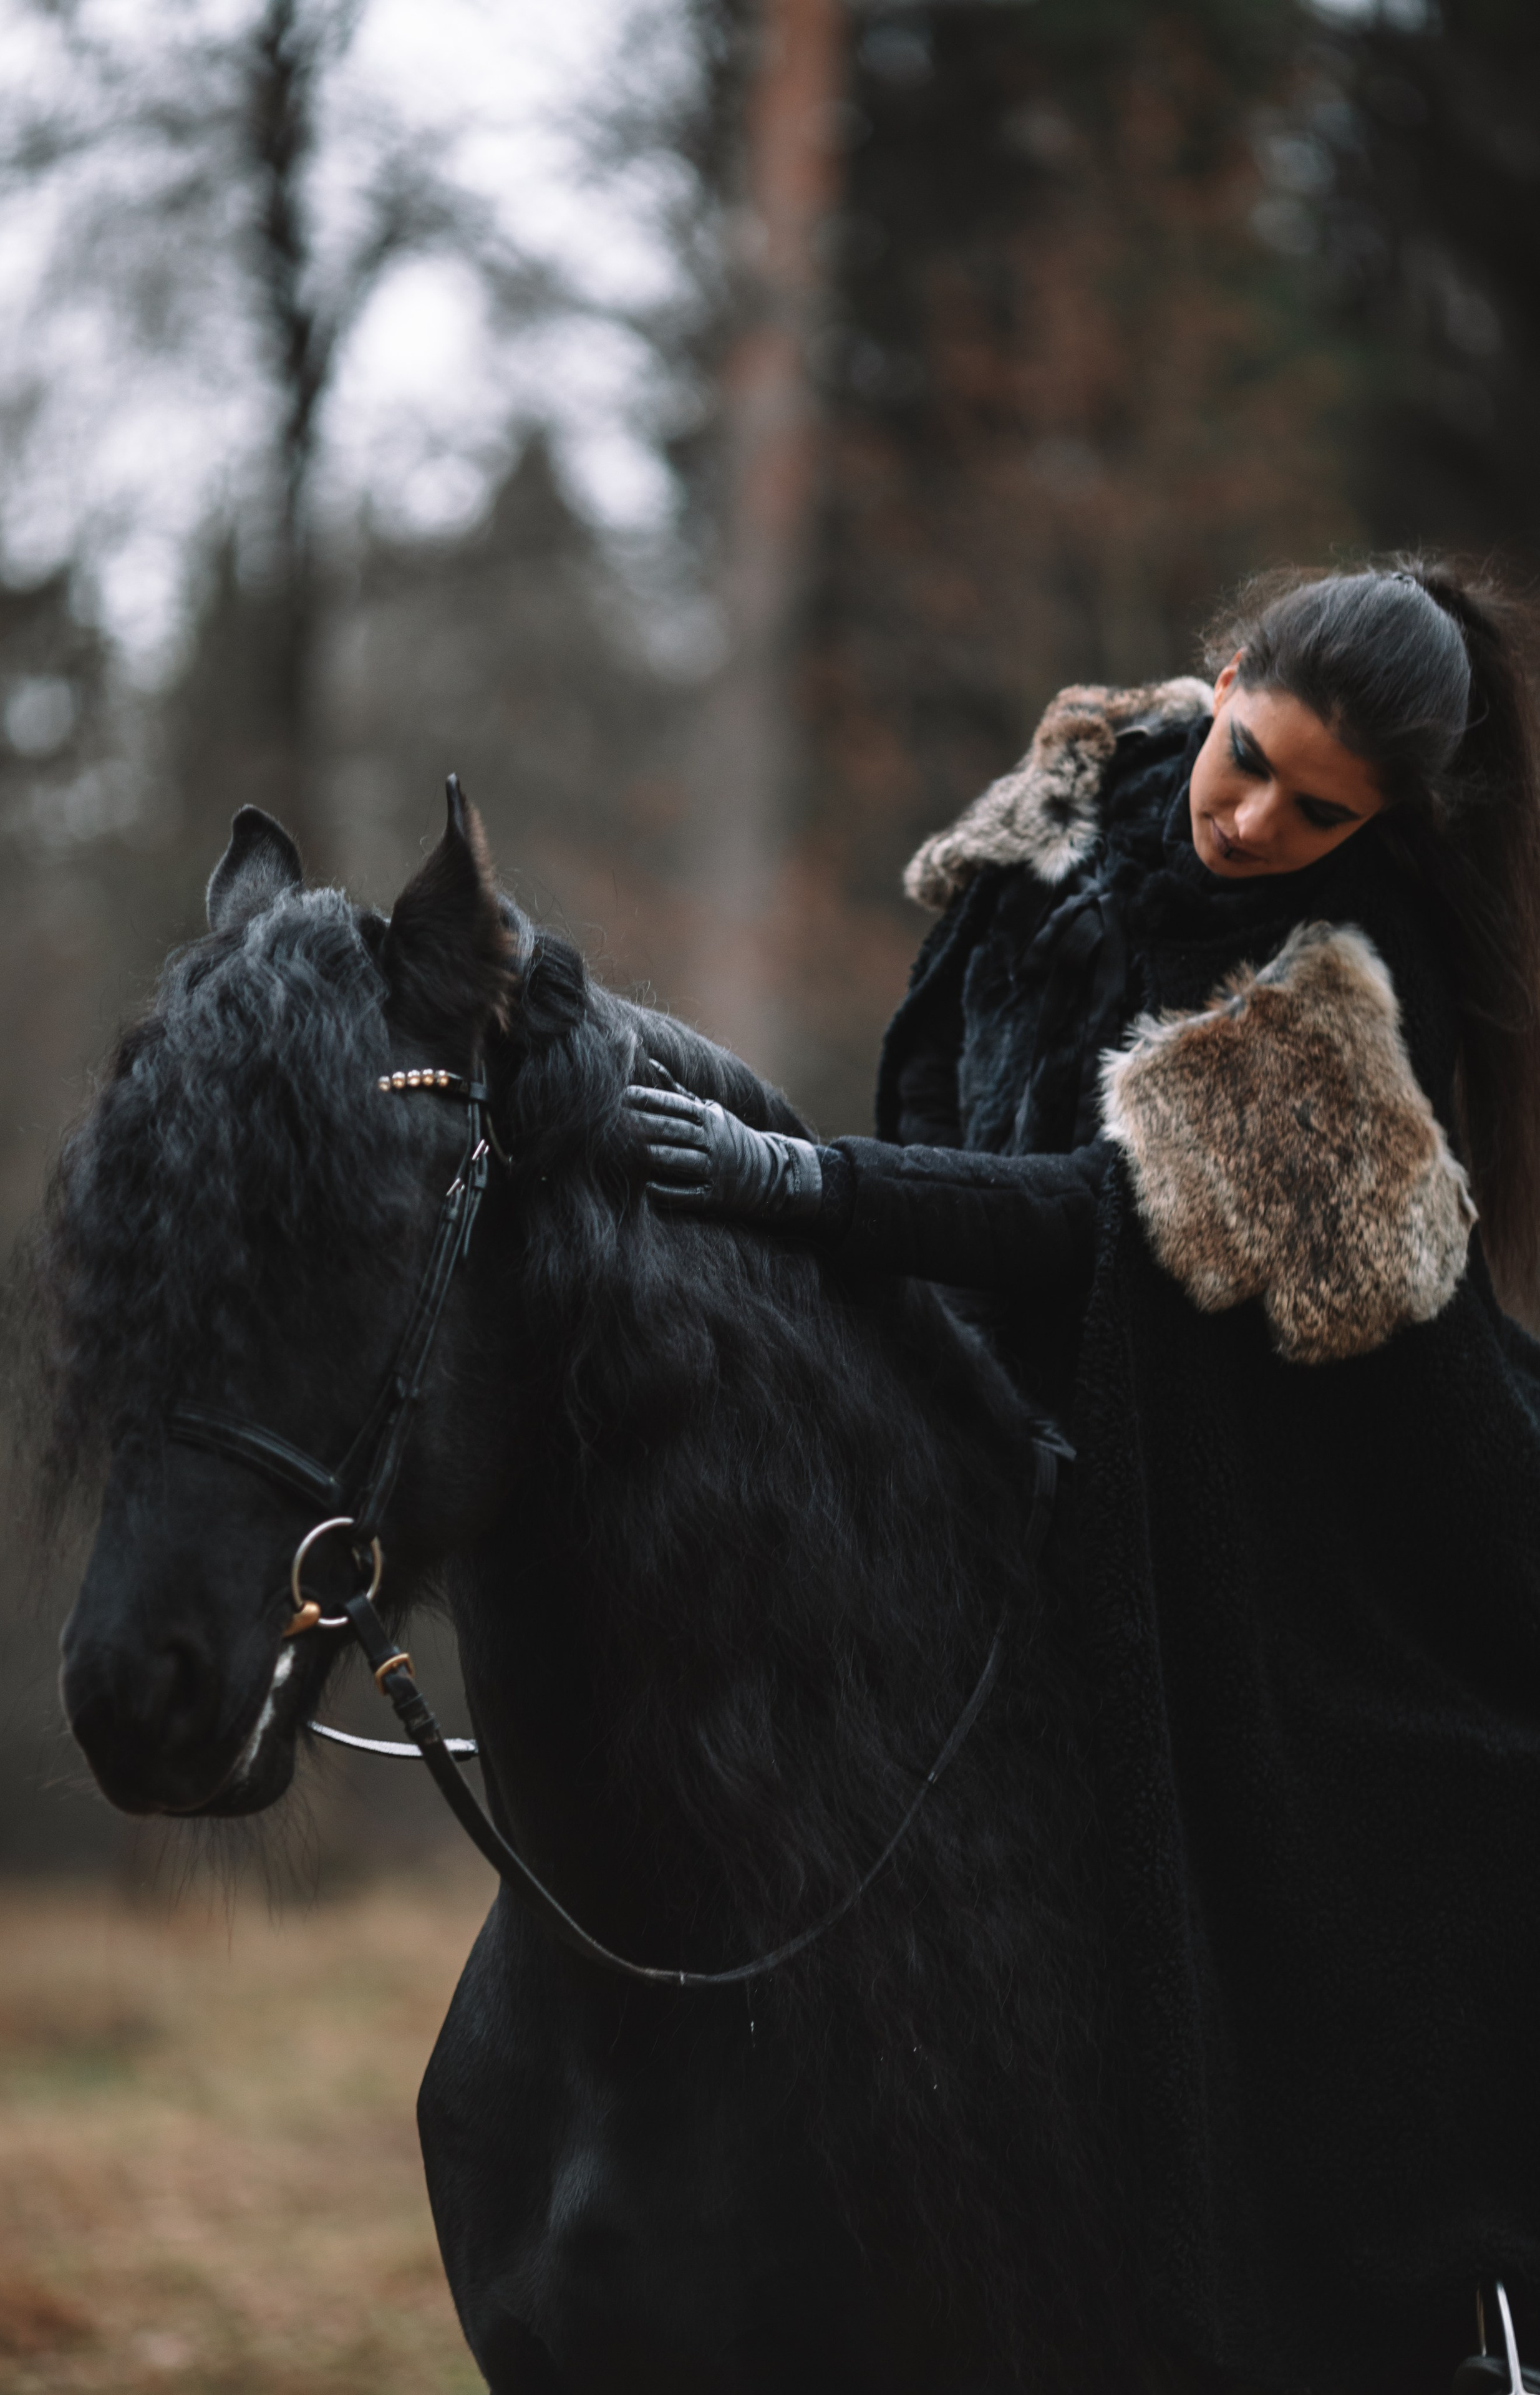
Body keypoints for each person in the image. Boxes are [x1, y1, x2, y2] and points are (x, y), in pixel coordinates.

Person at [622, 563, 1540, 2391]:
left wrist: (806, 1188)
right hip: (972, 1376)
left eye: (1321, 811)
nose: (1258, 821)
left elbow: (1101, 1224)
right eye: (1251, 759)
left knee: (1399, 1823)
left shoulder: (1353, 992)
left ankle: (1463, 2306)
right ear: (1224, 679)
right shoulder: (1053, 829)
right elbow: (930, 1088)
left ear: (1382, 823)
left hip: (1249, 1472)